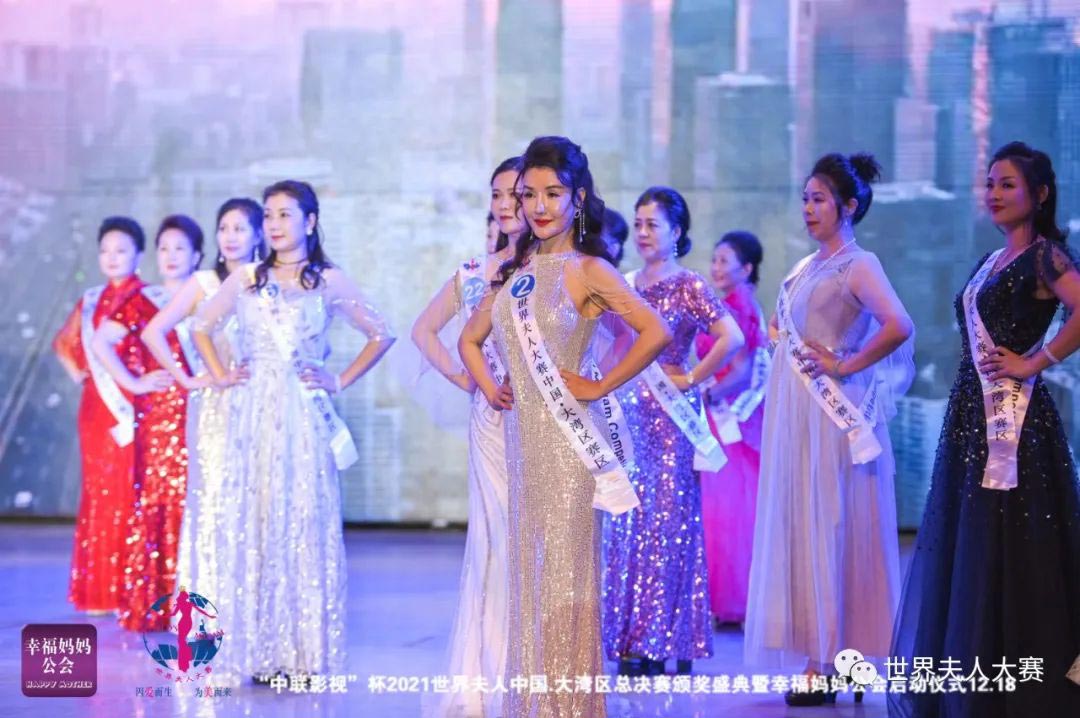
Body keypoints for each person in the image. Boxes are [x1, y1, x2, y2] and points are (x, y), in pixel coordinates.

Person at [458, 136, 672, 718]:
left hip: (570, 453)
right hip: (523, 449)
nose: (539, 206)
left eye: (553, 193)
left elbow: (655, 332)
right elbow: (470, 340)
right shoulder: (517, 272)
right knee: (530, 581)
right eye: (528, 194)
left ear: (578, 198)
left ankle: (571, 708)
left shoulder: (589, 270)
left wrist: (601, 385)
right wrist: (492, 387)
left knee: (566, 584)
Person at [889, 142, 1080, 717]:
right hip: (972, 422)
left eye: (1008, 184)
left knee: (1022, 546)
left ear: (1039, 194)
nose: (994, 194)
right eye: (990, 183)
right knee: (973, 548)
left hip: (1018, 424)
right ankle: (979, 681)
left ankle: (1030, 684)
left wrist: (1035, 360)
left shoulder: (1047, 256)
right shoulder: (989, 261)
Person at [193, 180, 395, 680]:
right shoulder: (246, 279)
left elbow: (381, 333)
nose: (275, 224)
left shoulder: (328, 280)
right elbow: (201, 326)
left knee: (301, 519)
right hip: (253, 414)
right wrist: (221, 375)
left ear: (310, 221)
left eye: (285, 214)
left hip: (303, 415)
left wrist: (339, 379)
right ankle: (259, 650)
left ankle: (300, 652)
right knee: (257, 522)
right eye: (268, 215)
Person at [743, 153, 915, 706]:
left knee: (835, 525)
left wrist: (845, 363)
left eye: (819, 199)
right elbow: (787, 329)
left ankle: (830, 662)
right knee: (808, 525)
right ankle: (828, 656)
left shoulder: (858, 264)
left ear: (848, 206)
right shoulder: (807, 267)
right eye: (805, 198)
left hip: (834, 419)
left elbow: (899, 325)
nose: (808, 208)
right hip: (799, 418)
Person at [602, 187, 745, 677]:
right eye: (638, 224)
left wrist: (693, 377)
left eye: (653, 225)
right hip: (628, 413)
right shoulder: (623, 284)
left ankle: (664, 638)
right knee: (628, 522)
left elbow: (731, 337)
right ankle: (629, 638)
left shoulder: (689, 284)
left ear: (677, 231)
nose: (643, 233)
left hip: (669, 418)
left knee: (668, 522)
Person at [413, 157, 524, 718]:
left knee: (540, 546)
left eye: (516, 194)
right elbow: (424, 331)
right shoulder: (478, 270)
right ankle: (493, 678)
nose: (505, 205)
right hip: (495, 420)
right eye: (497, 195)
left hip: (550, 422)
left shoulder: (558, 266)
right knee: (498, 543)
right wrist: (469, 379)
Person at [141, 198, 265, 619]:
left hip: (263, 405)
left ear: (258, 235)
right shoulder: (204, 281)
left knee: (256, 500)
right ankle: (211, 605)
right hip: (216, 407)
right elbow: (154, 331)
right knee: (214, 499)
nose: (230, 236)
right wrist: (189, 378)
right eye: (223, 228)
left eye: (239, 228)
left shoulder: (267, 281)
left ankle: (252, 600)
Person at [91, 214, 203, 631]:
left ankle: (197, 599)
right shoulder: (143, 300)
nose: (171, 256)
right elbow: (101, 342)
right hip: (158, 419)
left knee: (198, 500)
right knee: (158, 501)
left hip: (203, 413)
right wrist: (135, 383)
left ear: (197, 255)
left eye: (180, 248)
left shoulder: (208, 298)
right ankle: (158, 603)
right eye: (164, 248)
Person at [52, 216, 149, 614]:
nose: (112, 257)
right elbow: (64, 343)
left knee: (131, 490)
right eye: (105, 250)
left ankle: (131, 589)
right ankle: (100, 591)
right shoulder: (90, 300)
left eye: (121, 250)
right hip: (97, 409)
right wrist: (80, 373)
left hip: (134, 404)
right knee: (99, 493)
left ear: (139, 254)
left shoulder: (147, 297)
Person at [696, 231, 767, 627]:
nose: (716, 268)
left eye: (725, 261)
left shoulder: (737, 308)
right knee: (734, 509)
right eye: (715, 260)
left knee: (728, 510)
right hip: (732, 419)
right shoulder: (739, 305)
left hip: (730, 419)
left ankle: (733, 599)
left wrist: (705, 393)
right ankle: (735, 598)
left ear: (747, 267)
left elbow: (741, 372)